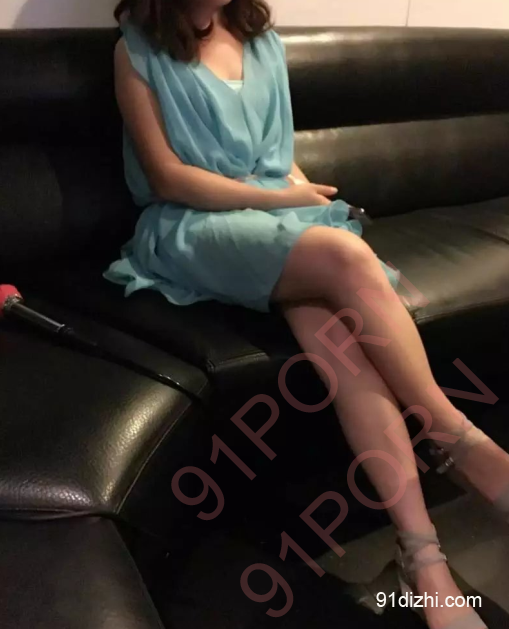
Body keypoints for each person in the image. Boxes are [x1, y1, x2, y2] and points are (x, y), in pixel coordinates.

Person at [105, 1, 509, 626]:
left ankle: (423, 558)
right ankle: (456, 437)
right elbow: (167, 180)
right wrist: (285, 200)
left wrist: (296, 200)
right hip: (194, 227)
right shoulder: (136, 50)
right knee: (346, 257)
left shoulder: (260, 41)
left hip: (273, 220)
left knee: (342, 348)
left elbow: (281, 158)